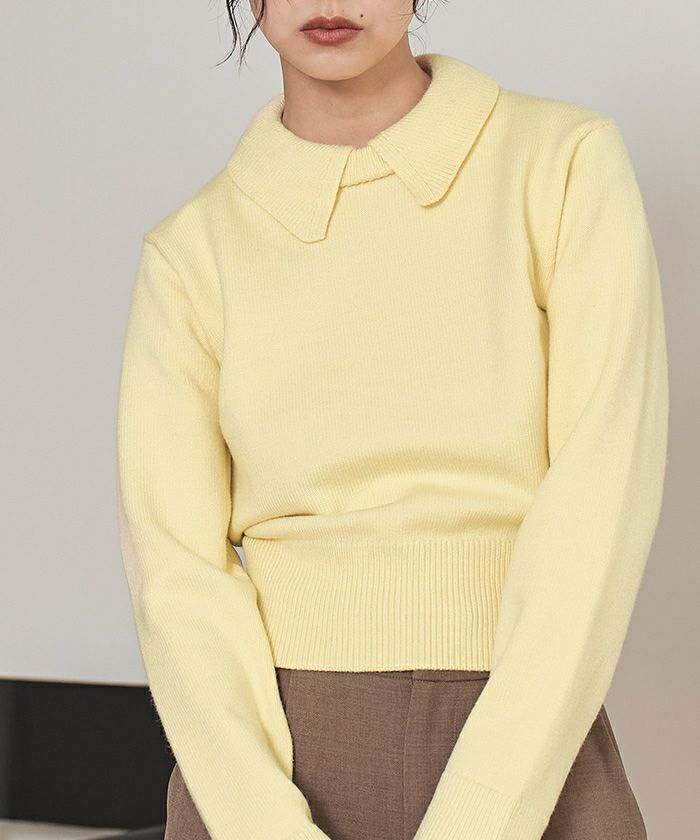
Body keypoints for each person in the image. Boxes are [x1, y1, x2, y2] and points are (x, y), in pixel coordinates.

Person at [116, 2, 668, 839]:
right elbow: (176, 573)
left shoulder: (561, 163)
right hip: (265, 764)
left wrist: (483, 815)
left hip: (521, 737)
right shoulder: (191, 250)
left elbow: (602, 494)